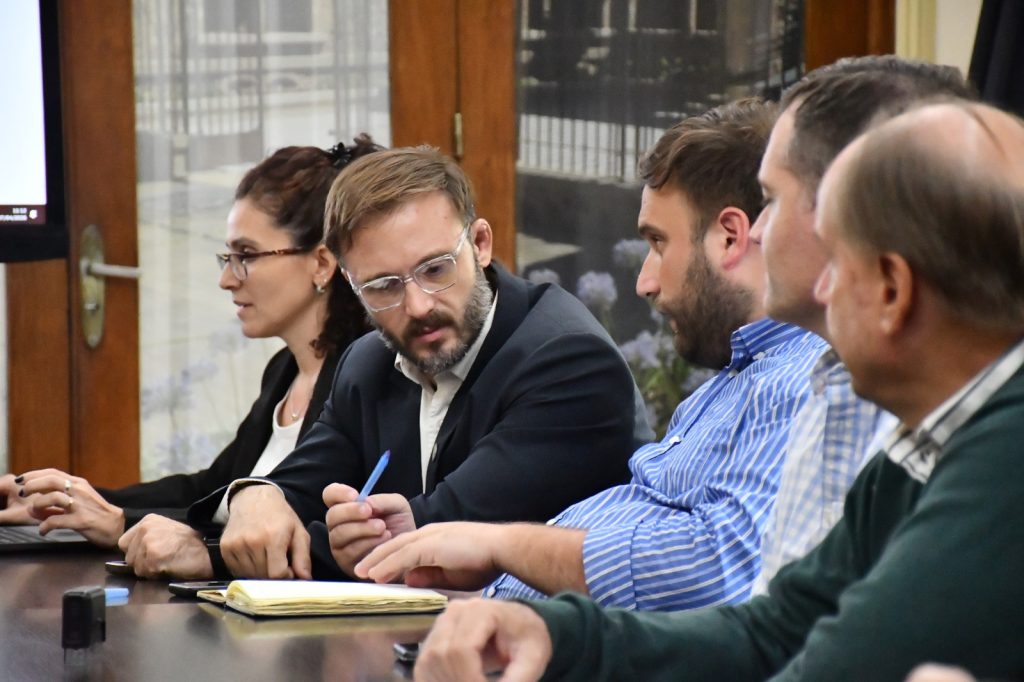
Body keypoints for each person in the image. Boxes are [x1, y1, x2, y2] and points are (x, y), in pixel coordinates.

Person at [411, 100, 1024, 681]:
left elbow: (816, 655)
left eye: (836, 264)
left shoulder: (1003, 455)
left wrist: (518, 570)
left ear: (893, 288)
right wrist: (557, 634)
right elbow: (773, 631)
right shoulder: (915, 451)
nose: (820, 293)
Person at [354, 99, 828, 611]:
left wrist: (502, 547)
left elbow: (718, 568)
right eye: (382, 285)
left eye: (658, 244)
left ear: (731, 237)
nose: (644, 282)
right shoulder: (731, 385)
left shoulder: (800, 381)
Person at [184, 144, 653, 581]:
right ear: (351, 284)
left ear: (480, 243)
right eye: (383, 286)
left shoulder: (569, 361)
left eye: (435, 269)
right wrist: (257, 496)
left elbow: (442, 529)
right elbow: (298, 487)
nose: (418, 306)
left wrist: (208, 555)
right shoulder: (368, 362)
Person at [0, 139, 379, 577]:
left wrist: (120, 522)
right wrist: (65, 503)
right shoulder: (284, 371)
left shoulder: (360, 379)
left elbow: (298, 536)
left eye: (246, 256)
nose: (226, 279)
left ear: (322, 263)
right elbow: (208, 492)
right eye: (227, 257)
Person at [749, 56, 975, 590]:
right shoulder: (829, 381)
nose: (757, 232)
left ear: (845, 207)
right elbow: (777, 621)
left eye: (770, 200)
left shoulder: (953, 430)